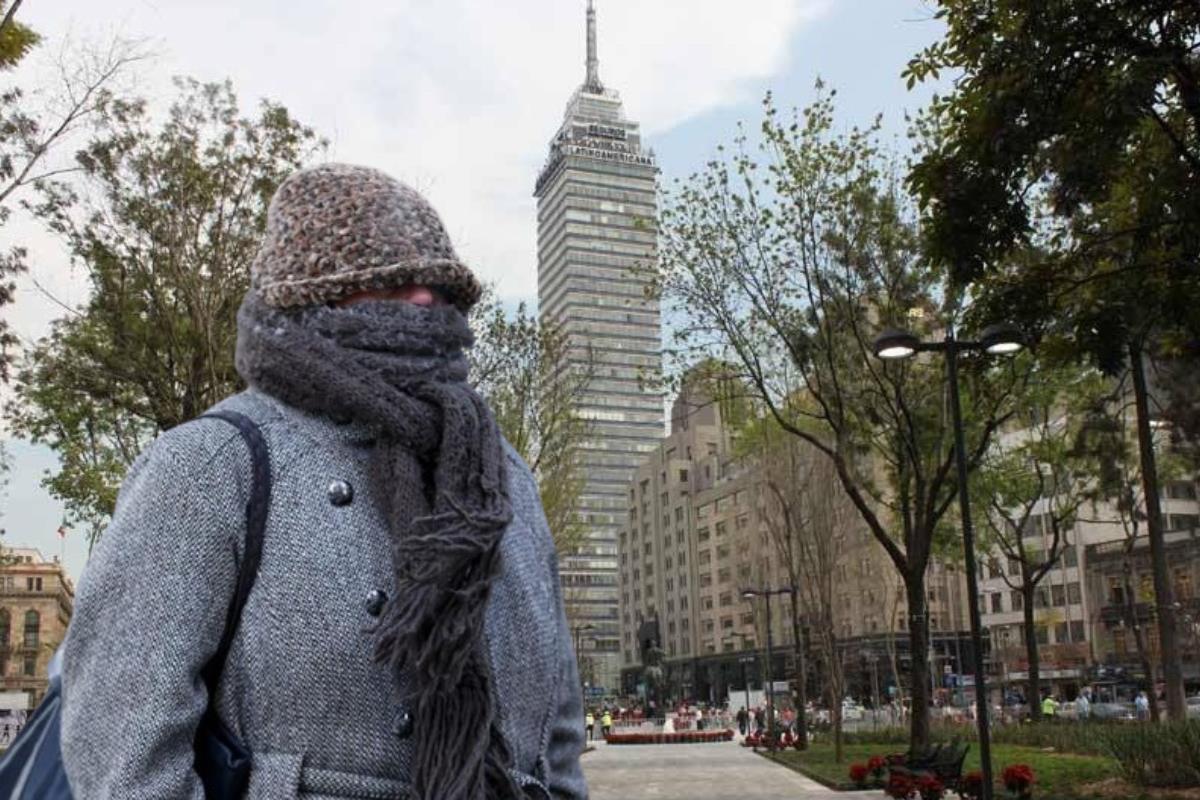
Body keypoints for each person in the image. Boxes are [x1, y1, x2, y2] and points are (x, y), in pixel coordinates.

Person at [59, 164, 588, 799]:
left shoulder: (501, 476)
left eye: (440, 287)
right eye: (390, 283)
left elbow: (558, 734)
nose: (426, 301)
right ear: (310, 298)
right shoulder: (208, 467)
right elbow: (122, 756)